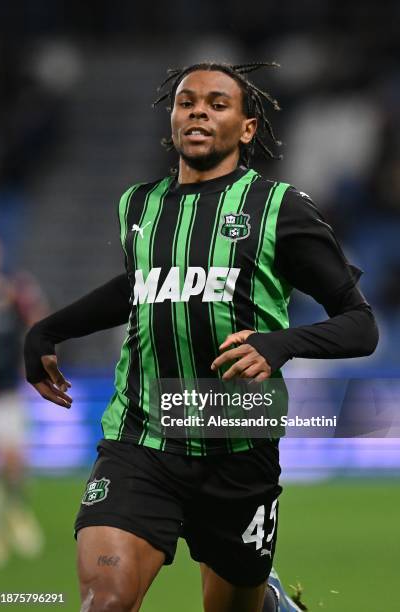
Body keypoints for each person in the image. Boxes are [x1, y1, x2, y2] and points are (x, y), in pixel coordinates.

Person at [24, 62, 378, 612]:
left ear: (247, 128)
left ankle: (272, 603)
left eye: (217, 104)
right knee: (106, 602)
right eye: (187, 102)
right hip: (142, 436)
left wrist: (278, 344)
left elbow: (360, 324)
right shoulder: (138, 205)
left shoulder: (277, 208)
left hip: (238, 444)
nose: (198, 112)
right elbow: (141, 285)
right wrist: (49, 329)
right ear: (172, 120)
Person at [0, 234, 46, 569]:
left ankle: (16, 511)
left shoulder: (13, 289)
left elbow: (39, 322)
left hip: (8, 393)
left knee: (15, 460)